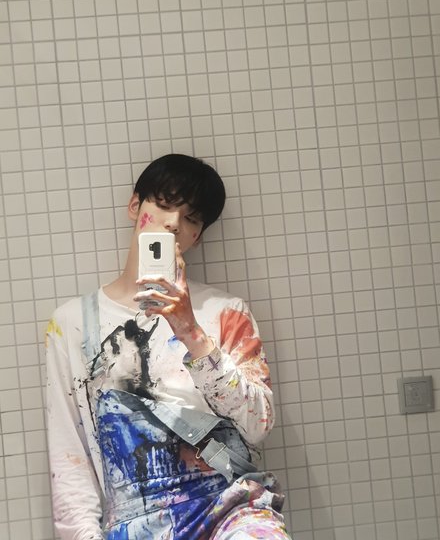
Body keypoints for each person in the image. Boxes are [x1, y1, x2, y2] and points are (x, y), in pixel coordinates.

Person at [46, 153, 291, 540]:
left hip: (228, 506)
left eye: (191, 218)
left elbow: (257, 424)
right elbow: (69, 457)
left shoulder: (226, 312)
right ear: (135, 206)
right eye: (163, 204)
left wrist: (190, 330)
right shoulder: (74, 325)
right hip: (135, 524)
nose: (174, 222)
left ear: (197, 237)